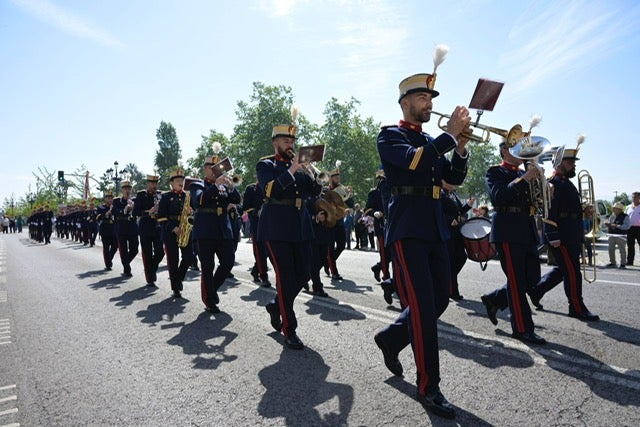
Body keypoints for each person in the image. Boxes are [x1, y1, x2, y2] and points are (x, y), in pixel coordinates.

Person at [373, 69, 471, 419]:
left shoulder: (431, 139)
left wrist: (460, 148)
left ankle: (391, 337)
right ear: (405, 103)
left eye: (430, 98)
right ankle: (429, 386)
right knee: (424, 309)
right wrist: (448, 136)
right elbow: (416, 162)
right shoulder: (390, 136)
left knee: (440, 299)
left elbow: (451, 180)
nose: (429, 103)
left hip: (433, 227)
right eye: (423, 98)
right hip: (407, 228)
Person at [256, 118, 322, 350]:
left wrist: (312, 173)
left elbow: (314, 191)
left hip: (300, 225)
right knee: (284, 277)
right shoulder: (265, 165)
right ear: (275, 143)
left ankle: (276, 304)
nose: (290, 144)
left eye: (292, 140)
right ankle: (289, 329)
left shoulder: (300, 168)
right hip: (276, 226)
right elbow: (270, 189)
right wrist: (294, 168)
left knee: (304, 275)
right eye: (286, 140)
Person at [480, 140, 547, 343]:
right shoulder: (495, 172)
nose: (521, 153)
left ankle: (495, 299)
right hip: (507, 230)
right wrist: (526, 178)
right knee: (517, 283)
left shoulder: (521, 173)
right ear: (504, 151)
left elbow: (537, 201)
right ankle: (522, 328)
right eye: (516, 149)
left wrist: (545, 188)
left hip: (526, 229)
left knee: (532, 279)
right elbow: (499, 197)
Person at [528, 145, 600, 321]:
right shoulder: (552, 183)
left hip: (571, 234)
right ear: (559, 163)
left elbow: (567, 209)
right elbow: (549, 212)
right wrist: (552, 235)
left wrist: (584, 211)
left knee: (563, 269)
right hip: (561, 236)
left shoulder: (566, 183)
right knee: (572, 272)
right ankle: (576, 307)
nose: (573, 165)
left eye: (574, 162)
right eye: (570, 162)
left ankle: (537, 291)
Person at [190, 155, 241, 314]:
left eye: (218, 168)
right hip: (205, 229)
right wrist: (215, 185)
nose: (215, 171)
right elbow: (198, 200)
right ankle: (209, 300)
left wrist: (231, 187)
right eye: (211, 167)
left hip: (223, 228)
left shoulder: (224, 185)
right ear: (205, 169)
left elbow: (237, 199)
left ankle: (211, 290)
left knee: (228, 261)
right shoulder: (197, 184)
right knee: (207, 266)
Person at [157, 169, 194, 298]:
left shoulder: (187, 196)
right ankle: (175, 287)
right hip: (171, 231)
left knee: (188, 257)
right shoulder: (166, 197)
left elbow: (194, 212)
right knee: (173, 260)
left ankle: (179, 278)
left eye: (182, 180)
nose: (181, 183)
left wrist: (191, 212)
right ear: (172, 183)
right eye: (178, 181)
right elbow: (161, 217)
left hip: (185, 229)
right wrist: (173, 228)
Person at [441, 183, 473, 300]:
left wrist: (468, 206)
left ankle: (447, 280)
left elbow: (459, 211)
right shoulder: (440, 194)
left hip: (457, 231)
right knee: (452, 261)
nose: (454, 184)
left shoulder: (453, 194)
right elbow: (437, 212)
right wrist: (449, 220)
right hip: (448, 231)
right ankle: (452, 290)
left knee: (461, 257)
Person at [134, 175, 165, 287]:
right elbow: (136, 212)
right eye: (152, 183)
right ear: (148, 183)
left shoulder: (160, 194)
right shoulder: (141, 195)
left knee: (160, 253)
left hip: (157, 227)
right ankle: (150, 278)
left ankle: (151, 269)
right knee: (147, 253)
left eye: (156, 183)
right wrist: (149, 212)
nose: (154, 185)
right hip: (145, 227)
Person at [243, 181, 271, 287]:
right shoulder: (251, 189)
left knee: (268, 251)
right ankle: (264, 276)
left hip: (270, 224)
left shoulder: (271, 186)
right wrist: (256, 211)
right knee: (260, 252)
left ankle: (255, 270)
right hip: (257, 224)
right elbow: (245, 206)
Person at [112, 180, 139, 277]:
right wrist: (124, 210)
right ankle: (127, 269)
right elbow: (114, 212)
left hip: (132, 227)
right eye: (125, 189)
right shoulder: (116, 201)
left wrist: (133, 208)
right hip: (121, 227)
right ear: (122, 190)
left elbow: (139, 211)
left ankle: (126, 263)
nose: (127, 190)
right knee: (123, 250)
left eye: (129, 188)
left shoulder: (135, 200)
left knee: (135, 249)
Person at [95, 191, 118, 271]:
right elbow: (97, 218)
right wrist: (106, 214)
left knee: (115, 246)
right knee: (106, 247)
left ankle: (109, 258)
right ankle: (108, 264)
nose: (110, 199)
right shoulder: (101, 207)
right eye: (108, 198)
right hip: (105, 229)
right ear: (105, 199)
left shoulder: (115, 207)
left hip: (114, 229)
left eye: (111, 198)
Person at [605, 202, 630, 269]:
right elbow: (610, 223)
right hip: (612, 235)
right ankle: (613, 262)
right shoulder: (612, 216)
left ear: (619, 209)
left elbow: (627, 226)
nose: (613, 209)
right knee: (611, 249)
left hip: (621, 236)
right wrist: (608, 224)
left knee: (622, 250)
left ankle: (623, 263)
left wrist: (617, 226)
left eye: (615, 208)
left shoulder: (625, 216)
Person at [626, 192, 640, 266]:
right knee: (630, 246)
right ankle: (630, 261)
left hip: (639, 228)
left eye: (636, 197)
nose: (634, 199)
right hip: (630, 228)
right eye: (633, 197)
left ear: (639, 198)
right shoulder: (628, 207)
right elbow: (626, 217)